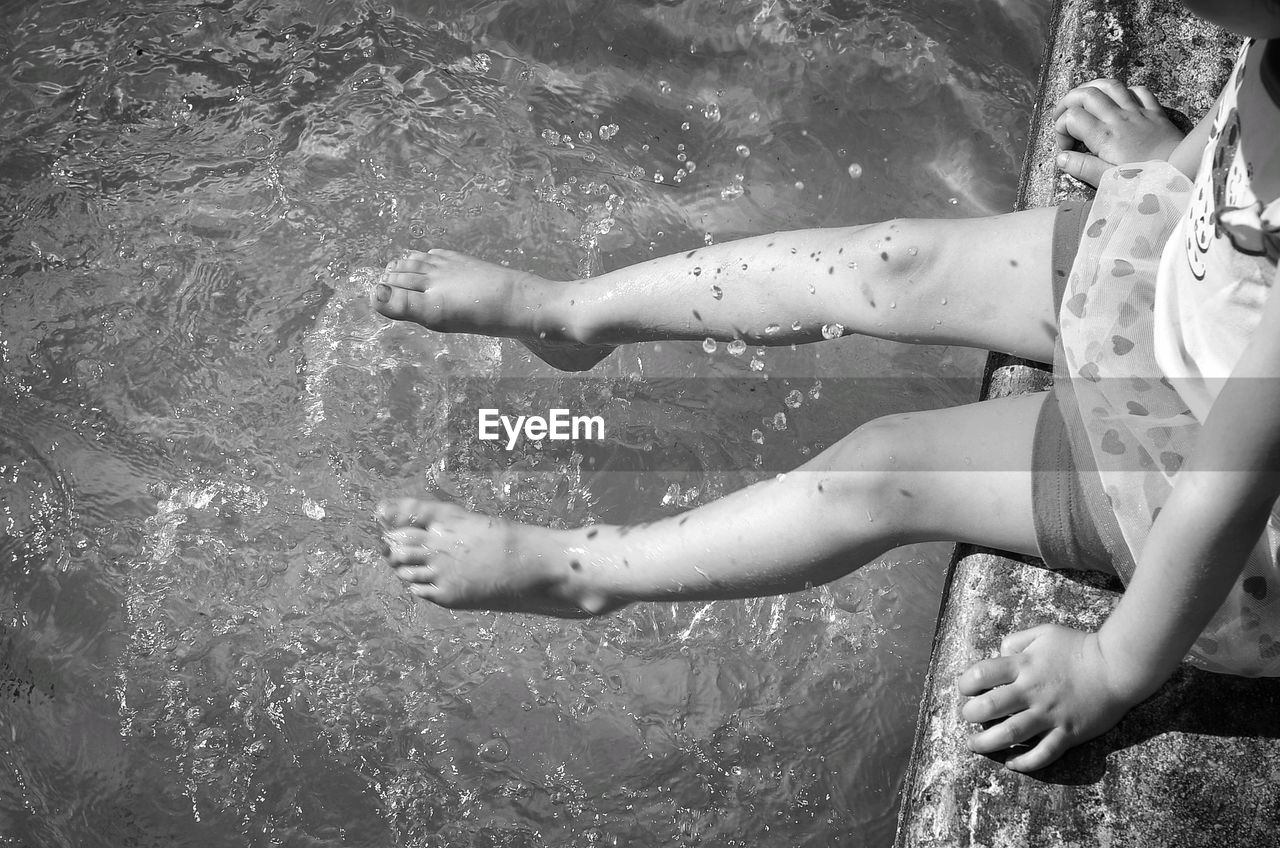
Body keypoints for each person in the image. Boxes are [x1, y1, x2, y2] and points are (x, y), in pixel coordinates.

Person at [370, 0, 1280, 772]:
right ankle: (569, 316)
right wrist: (1187, 161)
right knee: (896, 262)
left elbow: (1223, 490)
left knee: (881, 468)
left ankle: (582, 573)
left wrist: (1114, 668)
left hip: (1206, 481)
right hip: (1185, 303)